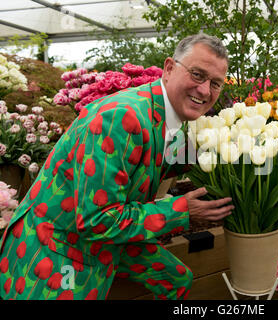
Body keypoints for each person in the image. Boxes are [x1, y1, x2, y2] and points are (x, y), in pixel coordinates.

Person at [0, 33, 234, 300]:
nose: (205, 90)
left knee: (177, 279)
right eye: (197, 74)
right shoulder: (121, 117)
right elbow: (95, 221)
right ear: (169, 68)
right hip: (56, 248)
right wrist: (182, 212)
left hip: (102, 237)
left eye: (215, 83)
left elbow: (170, 162)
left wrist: (241, 160)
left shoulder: (169, 115)